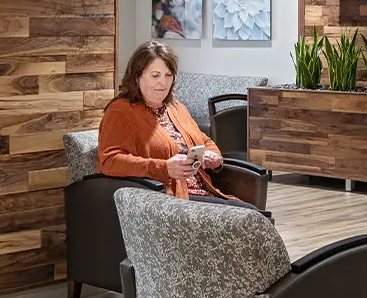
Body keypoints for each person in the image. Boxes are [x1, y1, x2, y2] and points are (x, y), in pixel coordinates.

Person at [98, 40, 256, 208]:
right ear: (137, 77)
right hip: (169, 201)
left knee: (256, 216)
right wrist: (164, 168)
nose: (163, 82)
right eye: (155, 75)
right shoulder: (120, 111)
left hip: (202, 191)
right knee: (250, 216)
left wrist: (212, 156)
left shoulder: (176, 108)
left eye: (168, 75)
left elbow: (204, 141)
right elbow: (110, 161)